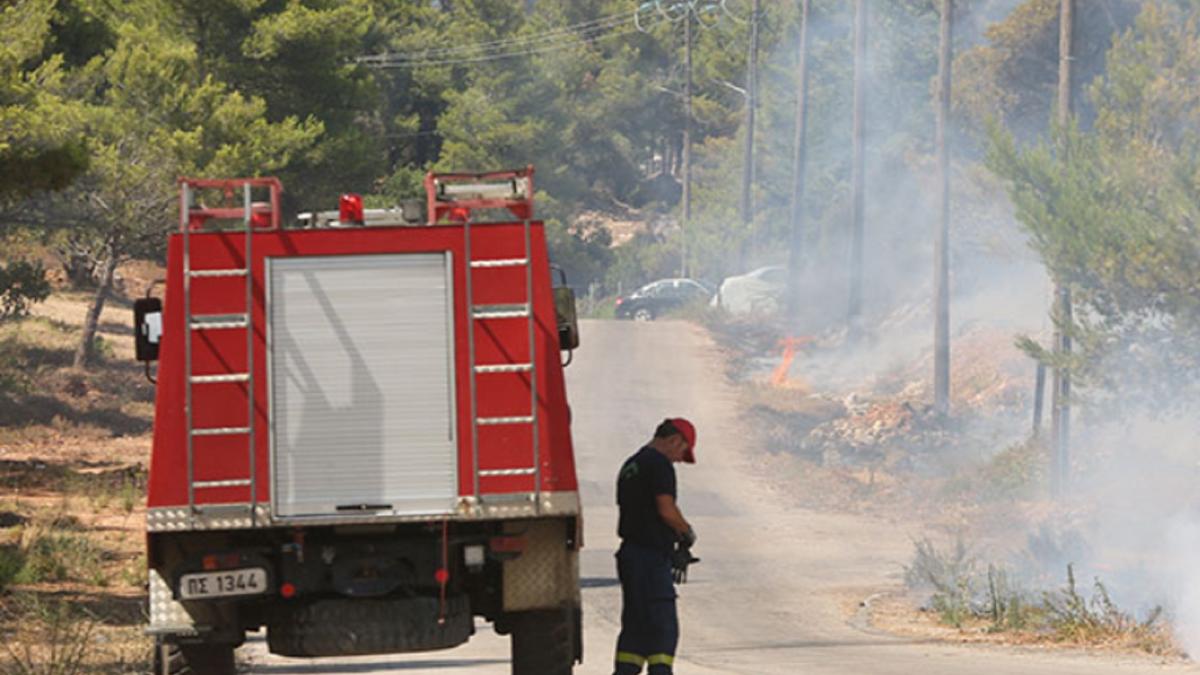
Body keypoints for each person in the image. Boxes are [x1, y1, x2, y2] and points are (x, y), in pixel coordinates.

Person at [613, 418, 698, 675]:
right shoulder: (660, 465)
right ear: (674, 440)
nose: (678, 459)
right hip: (650, 558)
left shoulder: (632, 464)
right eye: (681, 452)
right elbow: (666, 508)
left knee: (636, 626)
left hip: (630, 555)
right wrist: (685, 532)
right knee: (663, 625)